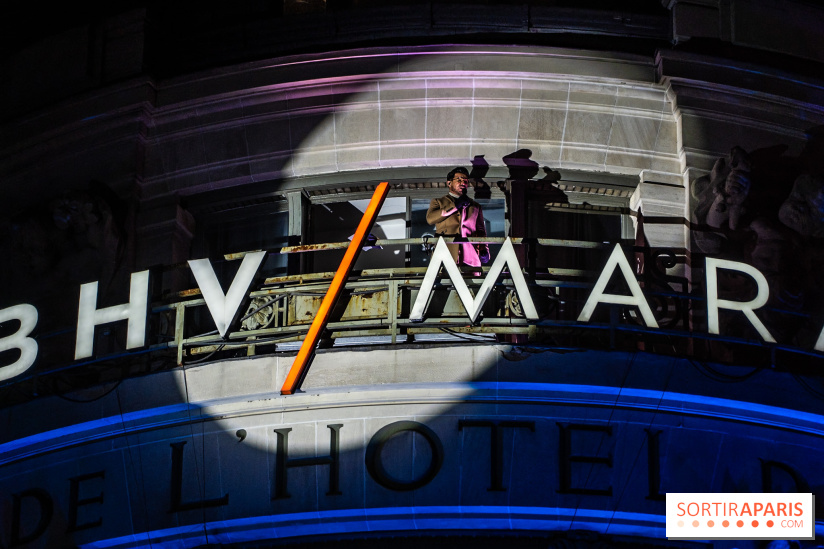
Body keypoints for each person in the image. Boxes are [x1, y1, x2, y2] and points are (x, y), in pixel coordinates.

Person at [426, 167, 490, 267]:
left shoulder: (475, 206)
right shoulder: (438, 202)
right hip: (445, 256)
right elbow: (430, 219)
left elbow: (481, 231)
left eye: (465, 181)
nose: (463, 183)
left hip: (470, 258)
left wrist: (483, 248)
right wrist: (455, 206)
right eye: (459, 180)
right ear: (449, 183)